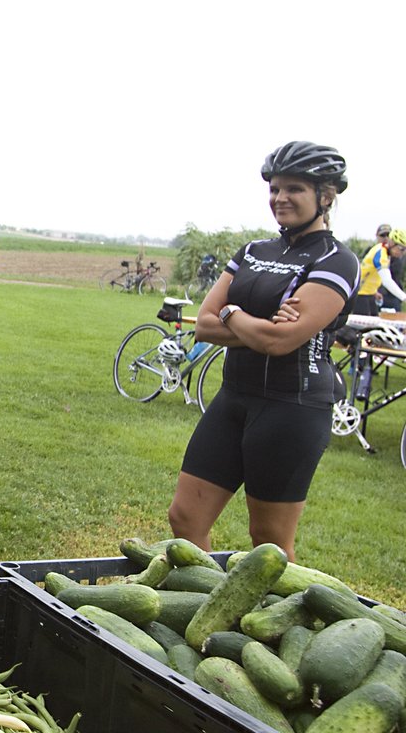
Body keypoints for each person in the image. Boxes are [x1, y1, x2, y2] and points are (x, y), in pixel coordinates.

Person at [167, 141, 359, 562]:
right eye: (274, 189)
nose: (280, 198)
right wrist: (253, 319)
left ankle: (267, 627)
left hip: (292, 408)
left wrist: (233, 314)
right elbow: (204, 324)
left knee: (269, 545)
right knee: (185, 519)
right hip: (234, 398)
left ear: (325, 196)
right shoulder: (254, 251)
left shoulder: (336, 260)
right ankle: (208, 613)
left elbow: (280, 342)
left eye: (293, 189)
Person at [353, 224, 406, 316]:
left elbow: (371, 274)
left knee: (376, 327)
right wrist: (404, 297)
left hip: (369, 294)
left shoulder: (385, 252)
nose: (402, 253)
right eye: (401, 249)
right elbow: (387, 281)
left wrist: (374, 291)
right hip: (360, 295)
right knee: (363, 328)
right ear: (392, 243)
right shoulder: (380, 253)